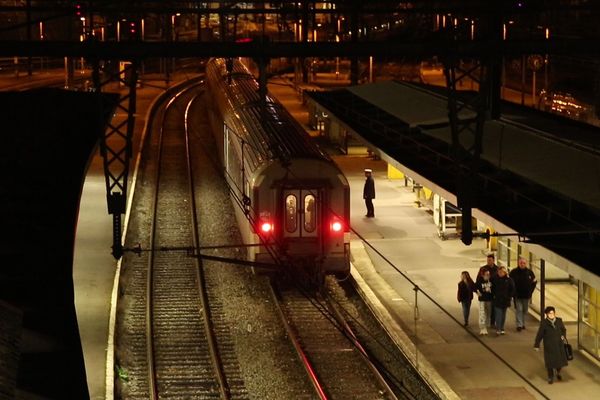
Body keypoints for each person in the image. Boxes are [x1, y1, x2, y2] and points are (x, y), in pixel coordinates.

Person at [534, 306, 569, 384]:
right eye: (550, 313)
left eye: (553, 313)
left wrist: (563, 337)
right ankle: (550, 377)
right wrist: (537, 344)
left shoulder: (559, 321)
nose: (552, 314)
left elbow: (563, 330)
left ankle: (558, 372)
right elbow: (540, 334)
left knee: (560, 361)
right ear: (546, 314)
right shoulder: (544, 323)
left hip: (559, 344)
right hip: (549, 346)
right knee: (550, 363)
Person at [510, 256, 537, 331]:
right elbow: (510, 283)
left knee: (525, 310)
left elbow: (534, 282)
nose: (522, 264)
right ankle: (519, 325)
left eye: (524, 263)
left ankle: (523, 323)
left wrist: (531, 291)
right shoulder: (513, 272)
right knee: (519, 309)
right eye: (521, 263)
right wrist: (513, 293)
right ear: (518, 263)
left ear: (526, 264)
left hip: (526, 295)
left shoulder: (530, 273)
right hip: (517, 295)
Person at [491, 266, 514, 335]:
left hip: (505, 300)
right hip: (497, 300)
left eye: (502, 272)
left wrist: (509, 296)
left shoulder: (509, 280)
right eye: (499, 272)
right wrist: (493, 295)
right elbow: (491, 288)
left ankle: (502, 327)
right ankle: (498, 328)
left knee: (503, 315)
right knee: (498, 314)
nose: (500, 273)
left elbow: (512, 289)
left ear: (505, 272)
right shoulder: (495, 279)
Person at [478, 254, 499, 327]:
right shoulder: (483, 269)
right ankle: (486, 323)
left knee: (493, 309)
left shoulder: (497, 269)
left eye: (490, 260)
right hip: (485, 293)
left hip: (493, 292)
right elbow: (478, 280)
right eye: (487, 260)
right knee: (485, 309)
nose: (488, 261)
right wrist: (478, 290)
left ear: (493, 260)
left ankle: (492, 322)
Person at [475, 269, 493, 335]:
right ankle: (482, 328)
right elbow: (474, 287)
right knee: (482, 313)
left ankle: (487, 325)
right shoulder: (479, 281)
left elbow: (494, 287)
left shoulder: (491, 280)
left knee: (488, 313)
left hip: (489, 299)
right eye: (486, 274)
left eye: (488, 274)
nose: (488, 276)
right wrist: (477, 292)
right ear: (483, 275)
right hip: (482, 299)